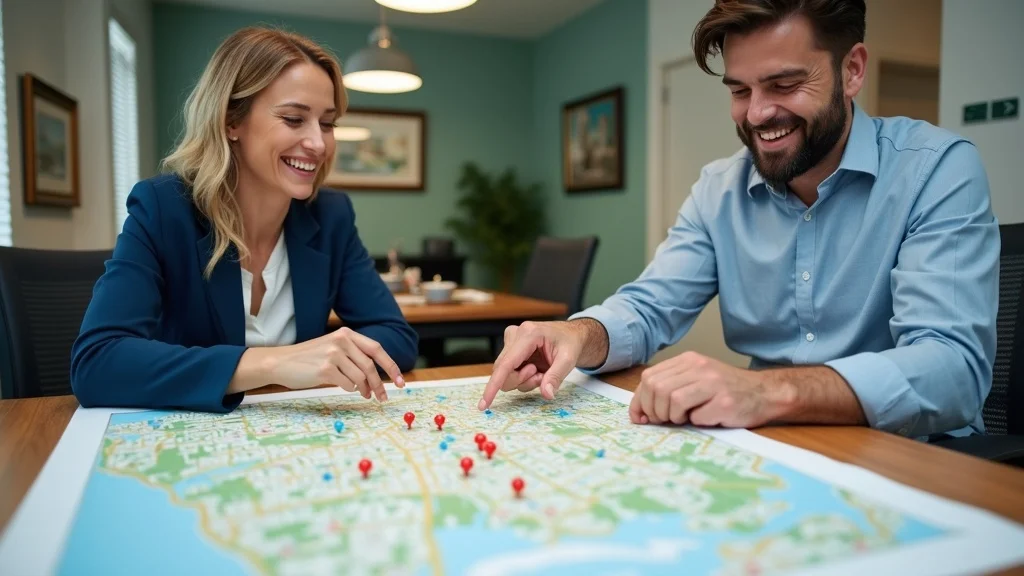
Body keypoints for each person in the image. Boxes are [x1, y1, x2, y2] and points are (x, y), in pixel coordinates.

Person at [479, 0, 999, 441]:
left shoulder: (936, 168)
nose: (756, 115)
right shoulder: (718, 189)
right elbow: (649, 306)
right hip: (774, 445)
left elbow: (953, 370)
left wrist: (763, 390)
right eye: (740, 90)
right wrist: (577, 334)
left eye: (785, 84)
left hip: (911, 454)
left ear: (852, 70)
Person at [71, 27, 418, 413]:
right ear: (231, 121)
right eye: (293, 118)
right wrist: (275, 363)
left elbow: (397, 338)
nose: (319, 144)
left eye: (327, 123)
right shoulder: (163, 208)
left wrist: (330, 356)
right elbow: (97, 363)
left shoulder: (331, 215)